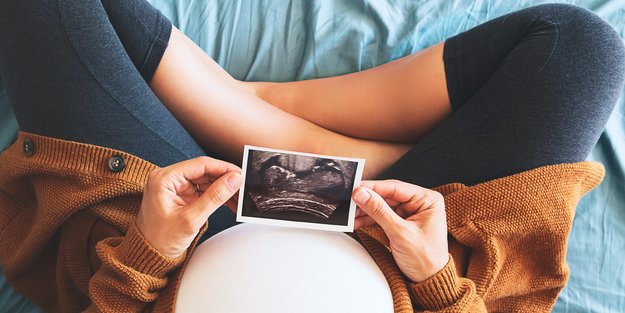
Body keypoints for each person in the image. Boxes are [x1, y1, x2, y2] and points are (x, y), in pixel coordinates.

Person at [0, 0, 623, 312]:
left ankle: (244, 111)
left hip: (178, 244)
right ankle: (271, 116)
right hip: (398, 249)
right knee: (579, 48)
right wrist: (435, 279)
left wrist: (147, 252)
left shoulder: (157, 246)